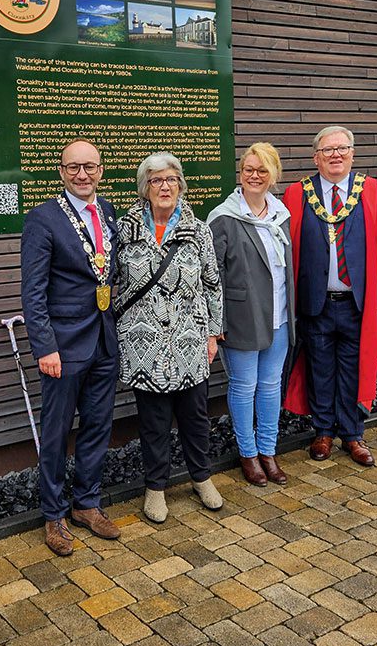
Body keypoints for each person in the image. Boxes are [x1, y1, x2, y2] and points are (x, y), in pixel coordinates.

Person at [282, 126, 377, 467]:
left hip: (359, 304)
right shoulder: (298, 194)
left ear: (353, 153)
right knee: (320, 369)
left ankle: (353, 434)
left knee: (354, 369)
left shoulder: (373, 192)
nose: (335, 155)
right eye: (327, 150)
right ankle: (323, 431)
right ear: (316, 157)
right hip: (315, 303)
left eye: (342, 148)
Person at [20, 139, 121, 556]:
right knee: (57, 432)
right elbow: (33, 290)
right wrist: (44, 346)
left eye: (90, 167)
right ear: (61, 171)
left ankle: (87, 503)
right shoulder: (42, 219)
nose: (82, 175)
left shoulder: (108, 212)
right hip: (62, 347)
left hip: (103, 338)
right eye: (73, 167)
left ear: (101, 170)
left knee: (98, 425)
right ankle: (54, 514)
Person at [114, 152, 224, 523]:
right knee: (154, 421)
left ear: (181, 186)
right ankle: (156, 488)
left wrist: (213, 333)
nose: (165, 187)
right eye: (157, 181)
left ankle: (201, 477)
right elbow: (111, 284)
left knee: (195, 416)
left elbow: (212, 284)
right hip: (144, 345)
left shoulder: (199, 230)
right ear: (145, 188)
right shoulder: (125, 229)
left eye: (171, 180)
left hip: (190, 341)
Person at [208, 142, 295, 487]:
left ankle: (268, 451)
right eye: (249, 170)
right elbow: (210, 275)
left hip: (280, 317)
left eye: (262, 170)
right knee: (245, 386)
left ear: (273, 175)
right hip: (241, 319)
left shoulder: (282, 215)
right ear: (240, 173)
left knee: (271, 385)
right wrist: (217, 324)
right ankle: (248, 454)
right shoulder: (224, 217)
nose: (255, 176)